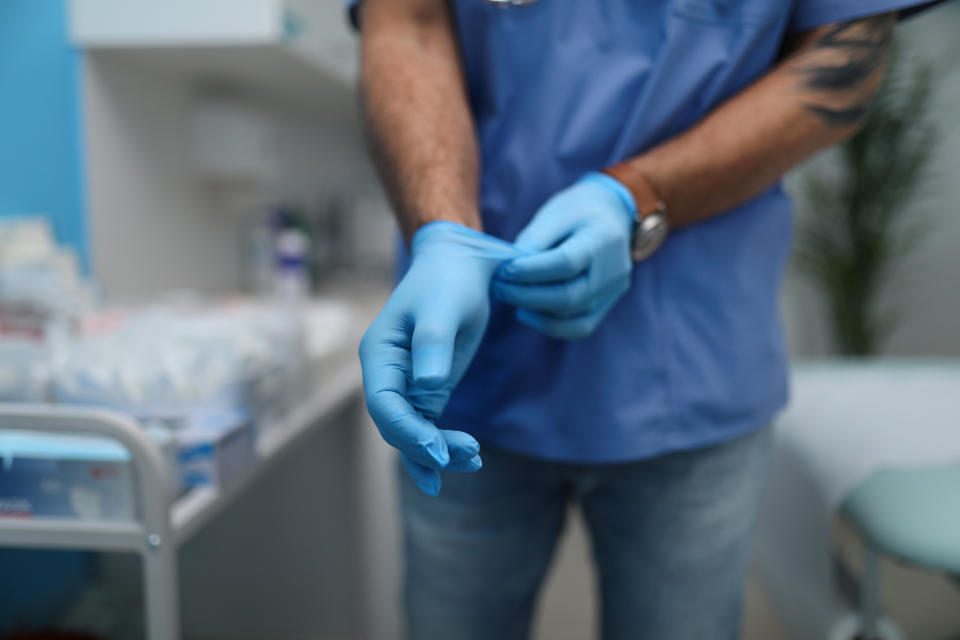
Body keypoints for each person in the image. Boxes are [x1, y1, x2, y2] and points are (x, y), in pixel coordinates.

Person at [352, 1, 939, 638]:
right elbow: (407, 21)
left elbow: (844, 57)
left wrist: (636, 192)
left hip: (691, 365)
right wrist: (442, 230)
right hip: (471, 363)